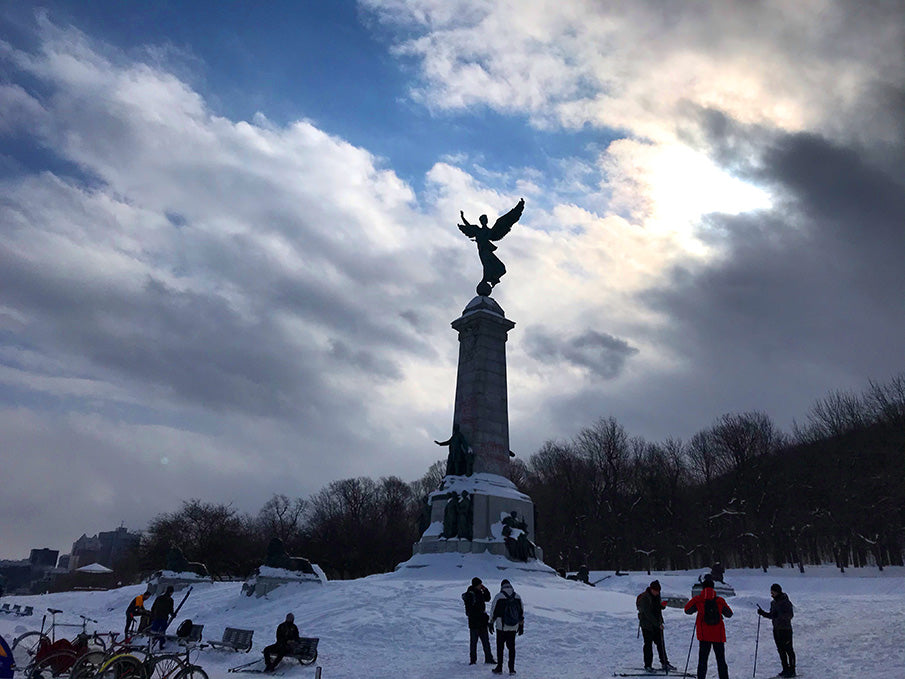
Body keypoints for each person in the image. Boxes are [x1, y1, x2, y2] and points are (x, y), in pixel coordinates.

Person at [684, 576, 733, 679]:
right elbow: (729, 614)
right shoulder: (719, 600)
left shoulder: (698, 599)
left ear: (703, 588)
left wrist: (696, 603)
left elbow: (687, 610)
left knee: (703, 660)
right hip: (718, 635)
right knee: (721, 660)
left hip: (704, 635)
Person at [636, 580, 676, 671]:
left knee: (661, 644)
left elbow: (657, 608)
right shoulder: (644, 598)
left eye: (658, 591)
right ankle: (648, 665)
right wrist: (658, 624)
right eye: (656, 591)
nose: (657, 593)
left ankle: (664, 663)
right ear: (651, 589)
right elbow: (648, 613)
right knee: (648, 645)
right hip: (647, 625)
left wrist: (662, 606)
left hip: (657, 624)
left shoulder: (657, 596)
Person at [758, 583, 795, 677]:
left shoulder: (785, 602)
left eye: (773, 592)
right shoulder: (773, 603)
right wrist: (763, 613)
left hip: (785, 629)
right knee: (781, 650)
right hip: (776, 629)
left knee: (788, 650)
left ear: (778, 592)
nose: (771, 594)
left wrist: (779, 615)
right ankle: (785, 668)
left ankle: (792, 669)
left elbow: (790, 615)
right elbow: (772, 615)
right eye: (771, 592)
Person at [489, 579, 524, 674]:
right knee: (511, 648)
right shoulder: (517, 597)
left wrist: (491, 623)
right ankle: (511, 669)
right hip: (513, 626)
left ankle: (499, 667)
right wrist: (521, 625)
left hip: (501, 627)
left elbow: (493, 610)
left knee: (500, 647)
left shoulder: (499, 596)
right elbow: (521, 612)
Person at [462, 577, 495, 665]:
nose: (481, 586)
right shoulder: (471, 594)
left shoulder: (479, 592)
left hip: (479, 622)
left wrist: (485, 589)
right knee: (475, 642)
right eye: (480, 584)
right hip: (476, 622)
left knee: (484, 642)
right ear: (476, 585)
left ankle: (488, 658)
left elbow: (487, 598)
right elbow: (471, 610)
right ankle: (473, 660)